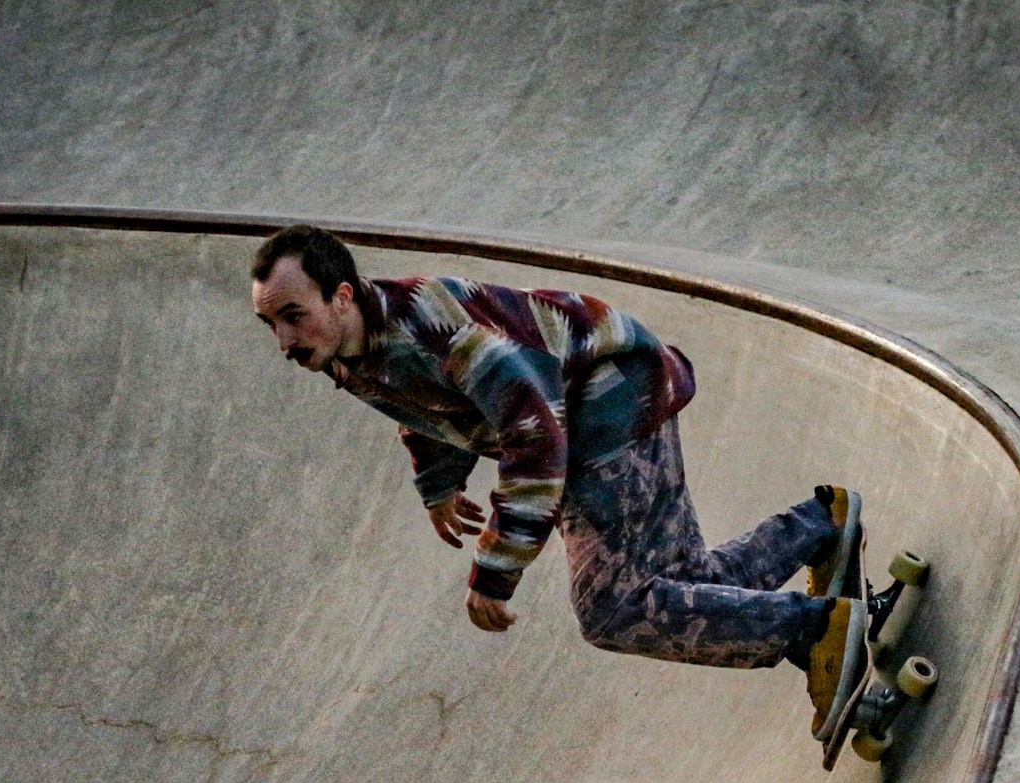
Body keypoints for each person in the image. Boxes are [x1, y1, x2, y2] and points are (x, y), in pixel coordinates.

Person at [248, 223, 872, 745]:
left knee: (615, 611)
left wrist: (496, 571)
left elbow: (535, 442)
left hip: (605, 404)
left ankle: (817, 631)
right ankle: (820, 526)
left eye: (293, 317)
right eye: (270, 323)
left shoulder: (441, 336)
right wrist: (439, 487)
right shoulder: (352, 351)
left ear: (342, 296)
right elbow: (427, 411)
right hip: (611, 393)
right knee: (680, 591)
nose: (283, 341)